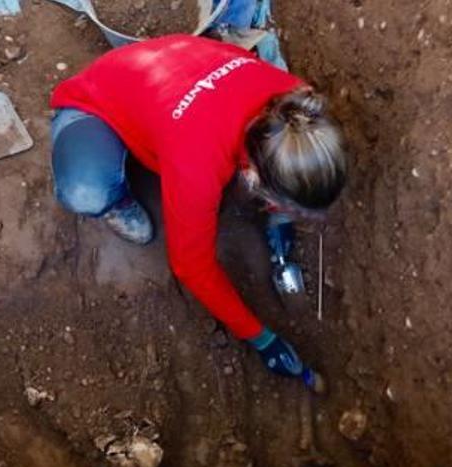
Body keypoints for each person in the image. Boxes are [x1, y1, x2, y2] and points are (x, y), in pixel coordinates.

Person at [48, 35, 347, 383]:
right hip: (95, 101)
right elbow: (191, 266)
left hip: (169, 75)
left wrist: (279, 218)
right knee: (85, 190)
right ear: (251, 174)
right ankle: (116, 199)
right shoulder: (197, 163)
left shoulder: (298, 111)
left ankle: (151, 127)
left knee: (187, 142)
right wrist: (262, 339)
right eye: (280, 203)